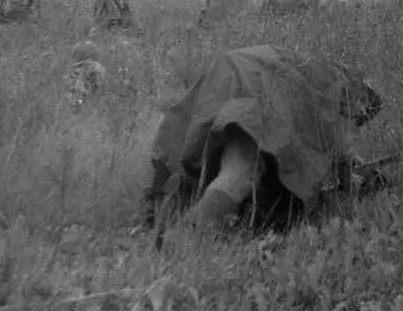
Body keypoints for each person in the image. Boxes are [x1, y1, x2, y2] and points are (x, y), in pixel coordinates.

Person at [144, 45, 385, 234]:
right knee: (244, 168)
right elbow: (343, 144)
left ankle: (167, 213)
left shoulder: (315, 71)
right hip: (259, 84)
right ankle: (188, 239)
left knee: (198, 159)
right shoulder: (345, 87)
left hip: (231, 72)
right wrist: (351, 172)